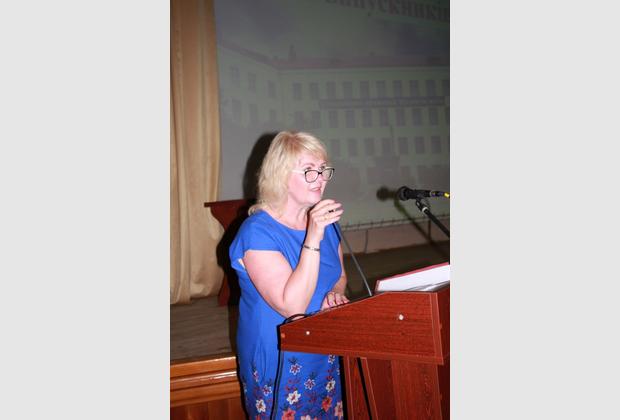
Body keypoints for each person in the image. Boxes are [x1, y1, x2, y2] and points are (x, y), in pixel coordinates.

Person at [230, 131, 349, 419]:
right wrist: (313, 236)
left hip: (326, 346)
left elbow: (339, 276)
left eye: (323, 169)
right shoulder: (257, 232)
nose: (320, 178)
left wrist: (334, 294)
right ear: (281, 175)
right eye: (309, 170)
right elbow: (292, 306)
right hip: (280, 355)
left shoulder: (324, 222)